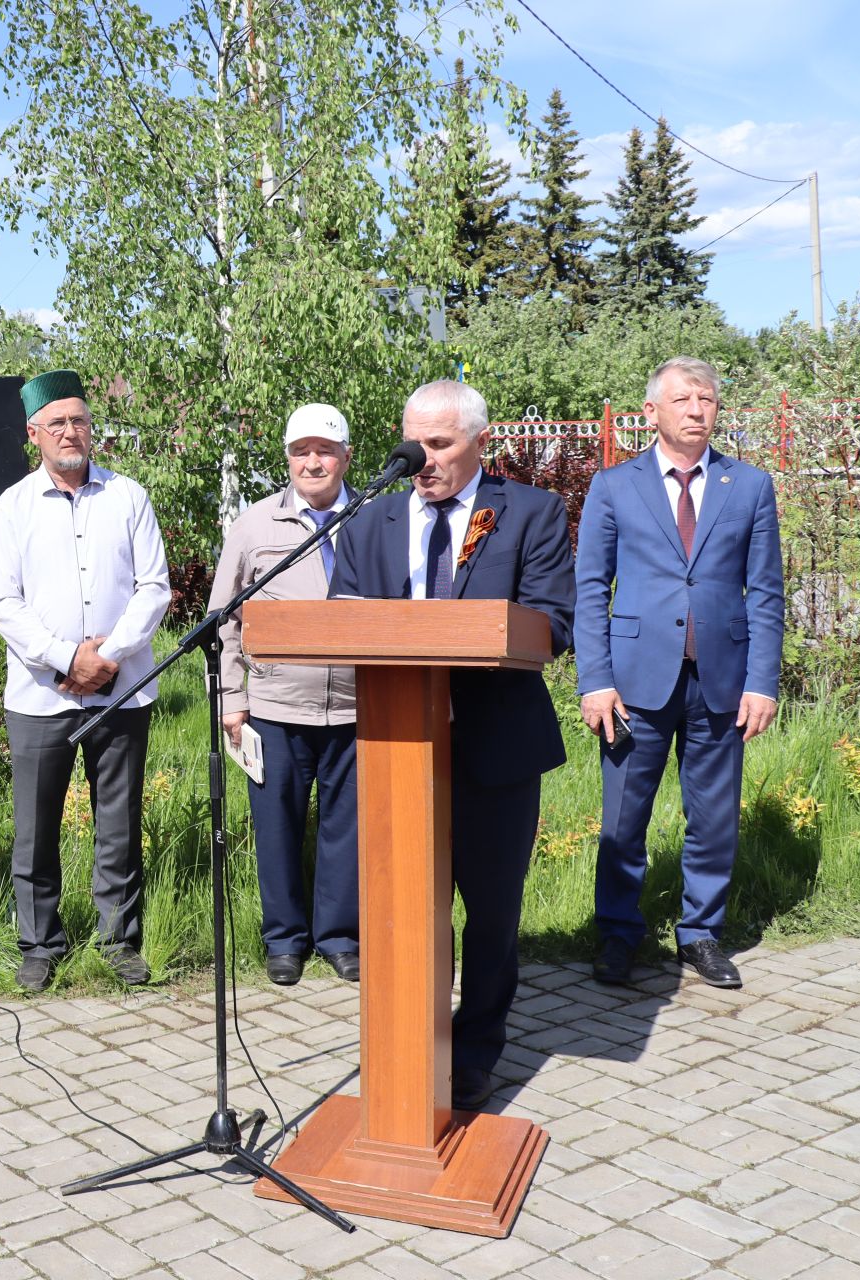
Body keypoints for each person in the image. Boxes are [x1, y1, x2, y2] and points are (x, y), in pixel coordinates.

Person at [329, 380, 573, 1112]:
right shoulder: (366, 526)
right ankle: (408, 1048)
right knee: (403, 908)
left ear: (478, 441)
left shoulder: (529, 512)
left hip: (494, 748)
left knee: (491, 914)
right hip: (395, 747)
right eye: (414, 443)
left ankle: (474, 1054)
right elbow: (340, 621)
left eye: (440, 445)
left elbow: (552, 623)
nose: (422, 458)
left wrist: (464, 635)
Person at [576, 356, 784, 991]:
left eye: (707, 400)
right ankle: (617, 932)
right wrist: (595, 680)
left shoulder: (747, 486)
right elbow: (590, 589)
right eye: (684, 399)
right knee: (623, 820)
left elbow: (767, 592)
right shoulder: (614, 486)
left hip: (721, 680)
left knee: (715, 817)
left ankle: (700, 934)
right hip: (634, 683)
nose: (697, 410)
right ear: (652, 412)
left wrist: (762, 681)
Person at [0, 369, 171, 993]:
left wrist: (107, 657)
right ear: (33, 433)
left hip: (121, 689)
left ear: (93, 428)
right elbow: (3, 604)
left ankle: (120, 941)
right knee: (34, 828)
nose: (70, 431)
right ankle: (39, 945)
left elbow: (154, 589)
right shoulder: (11, 507)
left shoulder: (129, 497)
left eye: (79, 420)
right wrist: (68, 659)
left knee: (117, 820)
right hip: (41, 697)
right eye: (57, 422)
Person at [209, 403, 359, 987]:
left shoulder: (376, 519)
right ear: (288, 459)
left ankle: (340, 937)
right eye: (301, 452)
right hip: (273, 708)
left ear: (346, 457)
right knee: (276, 828)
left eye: (324, 451)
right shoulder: (253, 526)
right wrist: (232, 697)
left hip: (356, 705)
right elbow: (225, 620)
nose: (313, 462)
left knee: (345, 828)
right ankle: (284, 941)